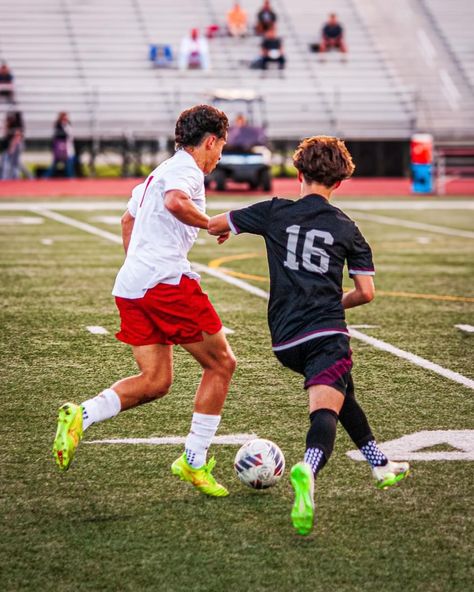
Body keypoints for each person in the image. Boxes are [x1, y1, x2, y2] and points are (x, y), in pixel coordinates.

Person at [208, 136, 410, 534]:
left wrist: (224, 227)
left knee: (342, 392)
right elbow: (366, 293)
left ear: (298, 173)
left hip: (284, 339)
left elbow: (216, 222)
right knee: (324, 413)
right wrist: (335, 302)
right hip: (326, 333)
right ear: (340, 182)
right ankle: (308, 469)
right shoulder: (347, 228)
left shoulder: (273, 211)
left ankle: (380, 464)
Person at [52, 104, 237, 498]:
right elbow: (174, 203)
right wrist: (210, 223)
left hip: (133, 284)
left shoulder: (158, 171)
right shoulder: (187, 171)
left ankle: (80, 415)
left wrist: (138, 264)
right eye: (220, 146)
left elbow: (127, 220)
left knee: (156, 381)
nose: (219, 156)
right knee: (221, 363)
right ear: (209, 141)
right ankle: (194, 459)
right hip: (165, 282)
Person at [45, 112, 75, 178]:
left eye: (66, 118)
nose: (66, 119)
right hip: (60, 148)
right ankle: (45, 178)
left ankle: (71, 179)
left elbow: (71, 136)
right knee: (55, 165)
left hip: (68, 148)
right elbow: (59, 137)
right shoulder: (58, 125)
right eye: (64, 118)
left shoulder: (68, 125)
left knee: (69, 165)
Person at [0, 111, 25, 179]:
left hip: (15, 145)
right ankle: (12, 176)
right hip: (12, 145)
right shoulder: (13, 125)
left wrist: (12, 146)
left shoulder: (16, 125)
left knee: (13, 163)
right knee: (14, 163)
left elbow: (17, 137)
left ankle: (14, 177)